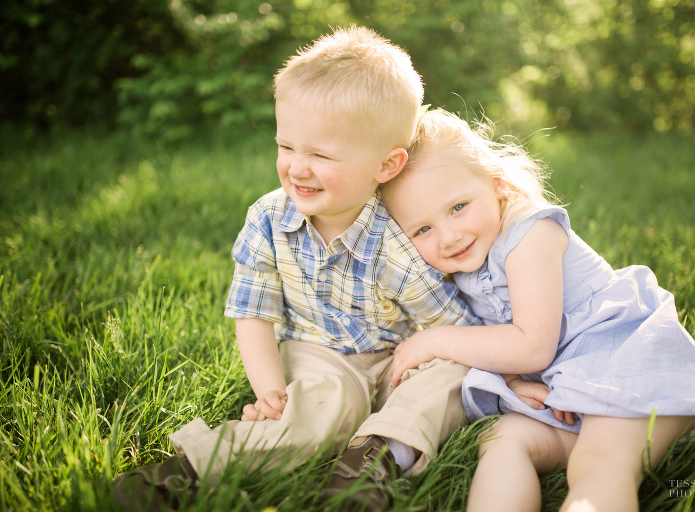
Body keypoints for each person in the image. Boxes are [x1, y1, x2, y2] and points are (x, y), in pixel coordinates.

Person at [113, 28, 483, 512]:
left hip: (400, 355)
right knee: (327, 405)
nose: (297, 168)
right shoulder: (269, 220)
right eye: (286, 147)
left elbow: (449, 325)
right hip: (319, 353)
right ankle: (191, 470)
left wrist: (447, 363)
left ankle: (376, 462)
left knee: (449, 376)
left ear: (387, 165)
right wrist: (269, 391)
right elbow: (253, 311)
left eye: (320, 155)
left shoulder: (400, 237)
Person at [381, 108, 695, 512]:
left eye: (458, 207)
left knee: (597, 465)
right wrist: (515, 382)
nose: (449, 236)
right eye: (422, 230)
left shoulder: (530, 234)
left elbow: (533, 345)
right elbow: (504, 345)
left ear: (497, 185)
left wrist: (436, 341)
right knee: (501, 440)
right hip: (571, 397)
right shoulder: (462, 267)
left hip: (628, 374)